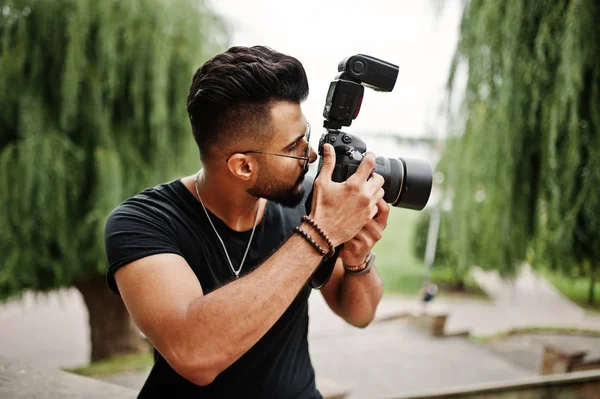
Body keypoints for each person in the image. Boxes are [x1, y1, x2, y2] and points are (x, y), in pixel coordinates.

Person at [104, 45, 389, 398]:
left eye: (307, 137)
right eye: (294, 147)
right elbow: (194, 355)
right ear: (242, 166)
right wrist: (322, 231)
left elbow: (358, 314)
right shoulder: (143, 222)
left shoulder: (307, 202)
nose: (311, 154)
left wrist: (358, 258)